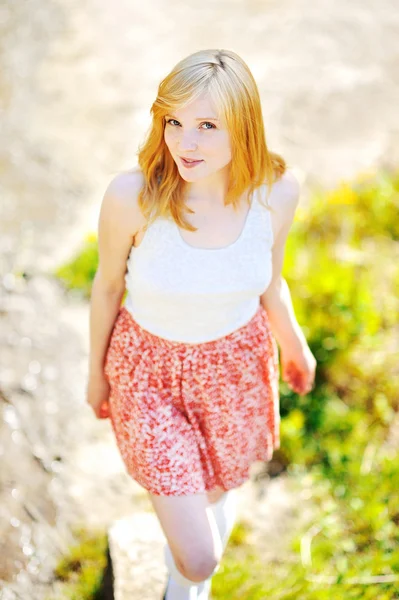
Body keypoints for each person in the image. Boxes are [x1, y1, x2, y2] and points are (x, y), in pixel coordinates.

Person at [86, 48, 316, 600]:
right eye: (174, 122)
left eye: (207, 126)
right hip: (149, 374)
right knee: (200, 554)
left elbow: (269, 281)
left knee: (215, 492)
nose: (185, 143)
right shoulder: (132, 199)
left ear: (243, 125)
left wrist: (295, 346)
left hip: (235, 366)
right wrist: (96, 374)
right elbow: (107, 287)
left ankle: (180, 588)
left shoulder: (277, 194)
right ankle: (187, 576)